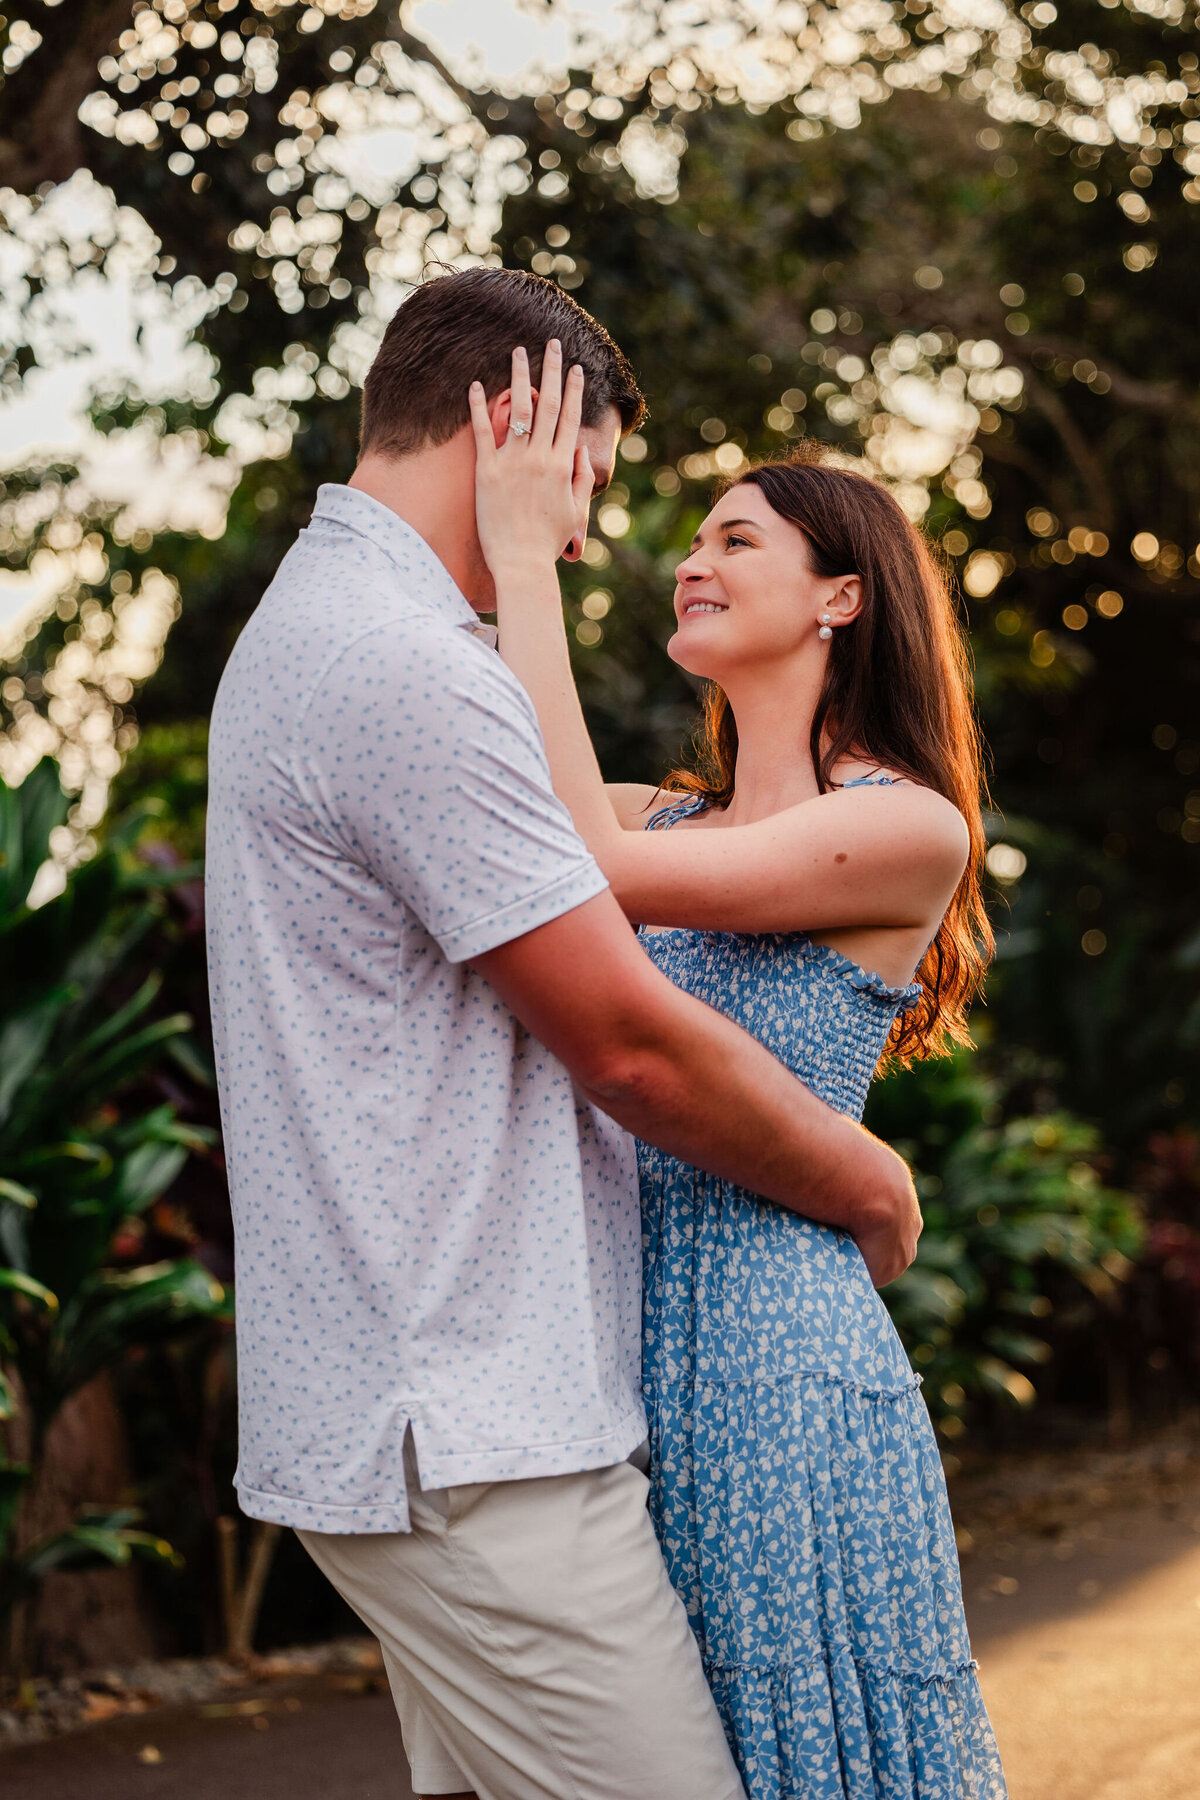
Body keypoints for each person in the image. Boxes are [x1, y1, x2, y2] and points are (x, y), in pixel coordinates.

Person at [205, 267, 922, 1800]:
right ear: (506, 425)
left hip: (476, 1414)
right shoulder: (407, 666)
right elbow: (632, 1045)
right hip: (476, 1440)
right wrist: (868, 1183)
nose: (597, 532)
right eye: (583, 477)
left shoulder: (323, 630)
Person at [469, 343, 1008, 1799]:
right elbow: (515, 791)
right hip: (616, 1341)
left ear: (842, 595)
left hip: (779, 1356)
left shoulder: (907, 829)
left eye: (734, 538)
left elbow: (577, 861)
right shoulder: (671, 812)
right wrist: (525, 510)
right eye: (692, 537)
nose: (692, 562)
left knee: (791, 1748)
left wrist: (528, 564)